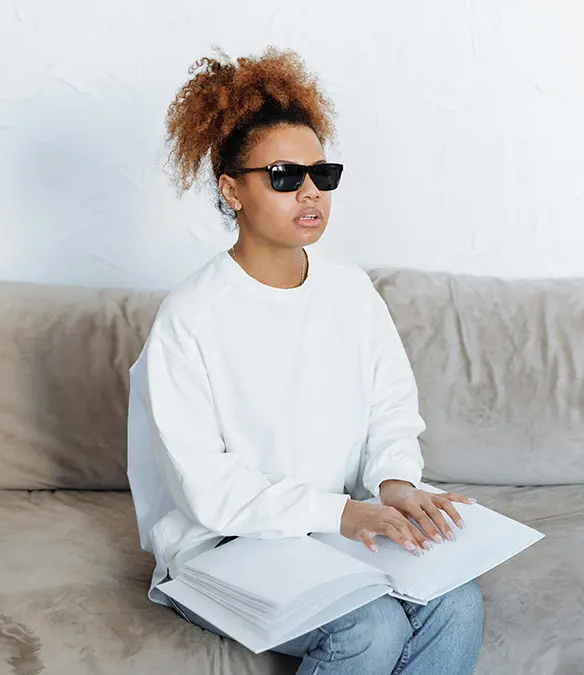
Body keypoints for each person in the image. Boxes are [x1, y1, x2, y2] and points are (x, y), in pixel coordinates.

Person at [125, 47, 484, 675]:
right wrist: (340, 512)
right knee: (368, 628)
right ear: (231, 189)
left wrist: (394, 480)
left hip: (334, 530)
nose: (310, 192)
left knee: (456, 600)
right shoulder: (191, 318)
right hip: (223, 546)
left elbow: (390, 410)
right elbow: (207, 490)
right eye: (286, 176)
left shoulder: (350, 290)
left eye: (323, 174)